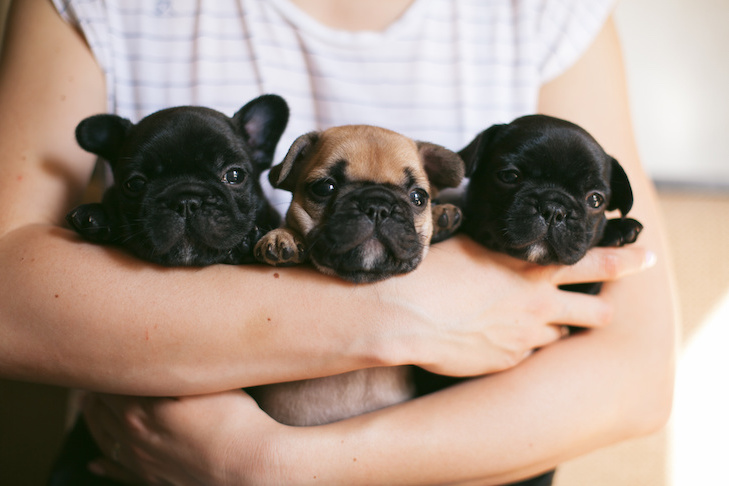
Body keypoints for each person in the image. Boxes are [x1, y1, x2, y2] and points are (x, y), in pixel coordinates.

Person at [0, 0, 676, 484]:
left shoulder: (546, 12)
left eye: (414, 198)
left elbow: (637, 375)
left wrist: (273, 466)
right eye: (324, 191)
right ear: (285, 173)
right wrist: (399, 312)